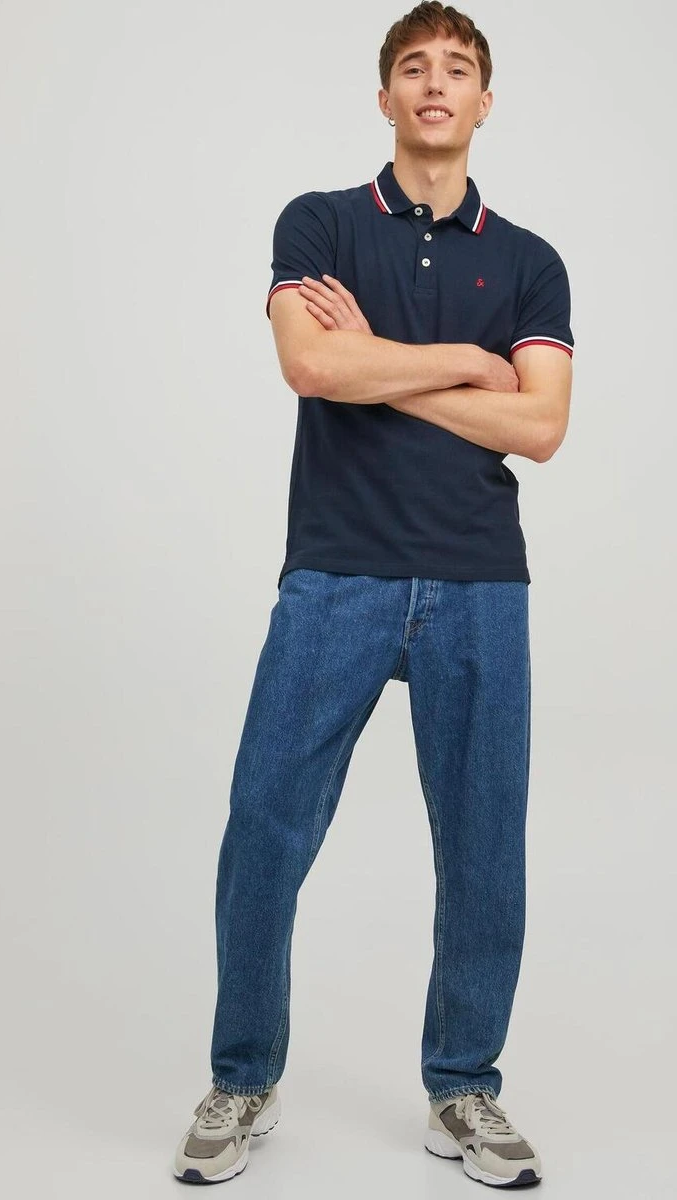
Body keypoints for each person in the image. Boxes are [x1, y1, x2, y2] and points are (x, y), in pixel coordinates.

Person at [173, 1, 573, 1188]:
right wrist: (465, 364)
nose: (433, 84)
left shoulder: (530, 261)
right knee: (264, 828)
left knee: (483, 847)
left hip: (479, 581)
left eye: (455, 69)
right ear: (385, 95)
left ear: (484, 101)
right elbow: (309, 363)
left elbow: (539, 428)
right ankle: (242, 1077)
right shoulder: (320, 223)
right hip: (334, 574)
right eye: (412, 66)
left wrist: (378, 369)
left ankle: (463, 1089)